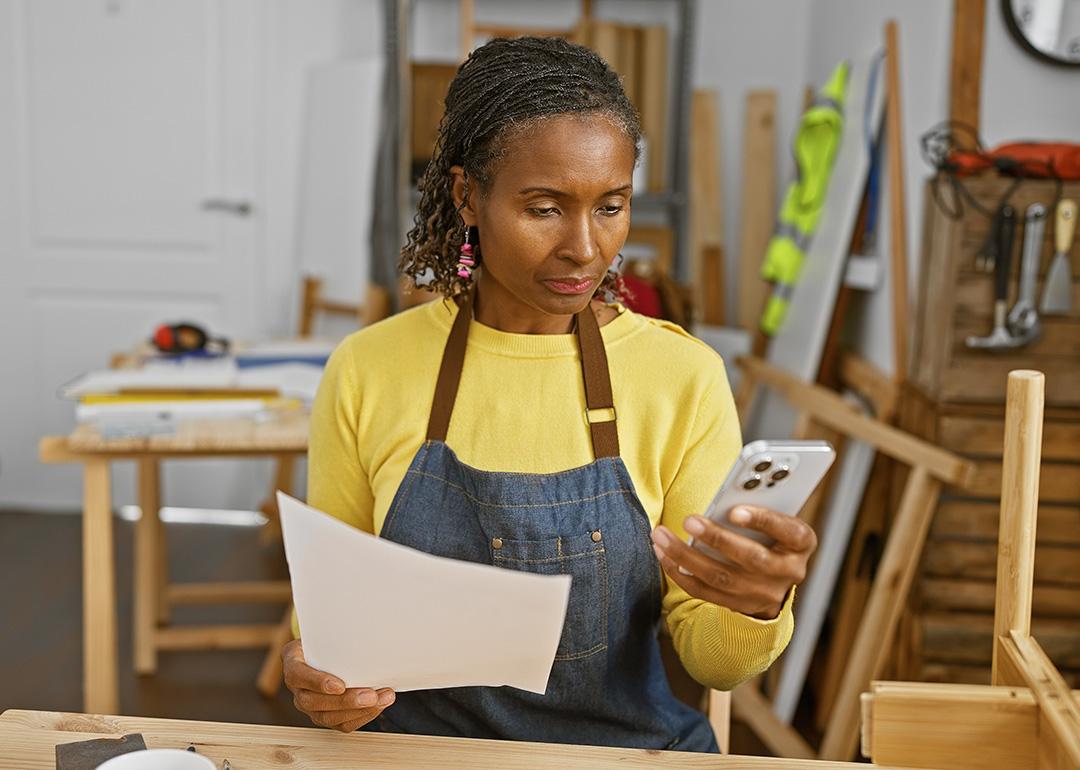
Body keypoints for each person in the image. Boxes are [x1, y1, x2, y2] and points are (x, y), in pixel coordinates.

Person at [281, 36, 817, 753]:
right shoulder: (369, 368)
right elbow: (328, 617)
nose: (585, 248)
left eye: (610, 206)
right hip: (415, 754)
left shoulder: (680, 377)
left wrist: (757, 604)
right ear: (467, 196)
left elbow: (711, 661)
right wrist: (318, 675)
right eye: (544, 209)